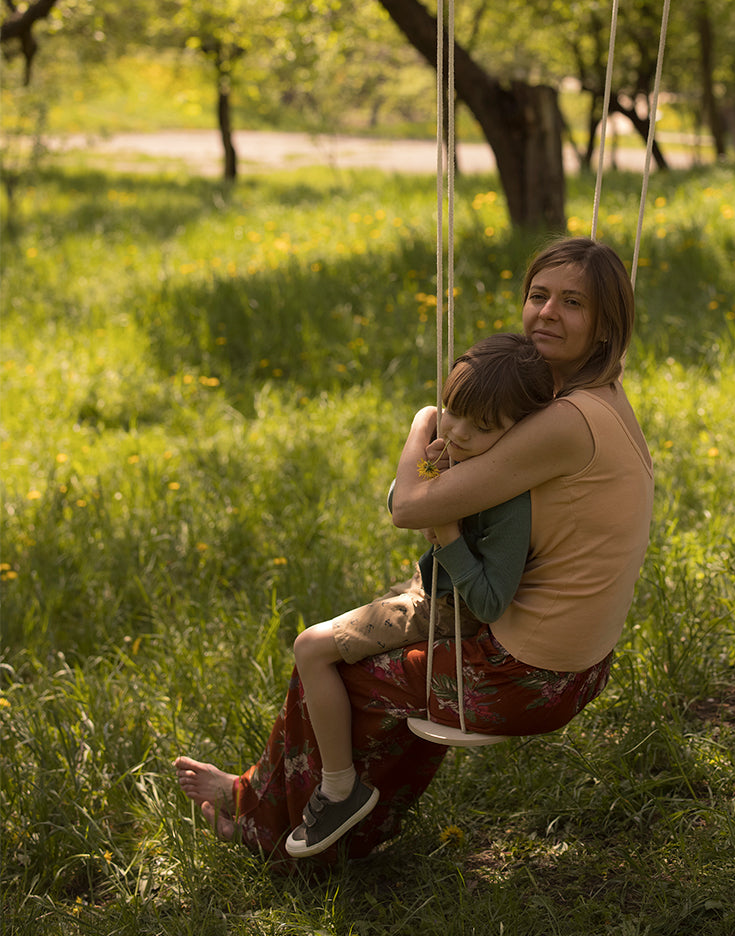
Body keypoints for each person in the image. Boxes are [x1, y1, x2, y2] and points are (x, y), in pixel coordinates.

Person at [174, 237, 654, 867]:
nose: (547, 314)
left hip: (527, 677)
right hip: (577, 663)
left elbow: (410, 507)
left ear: (604, 326)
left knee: (334, 671)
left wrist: (424, 420)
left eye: (573, 303)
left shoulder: (564, 421)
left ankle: (263, 822)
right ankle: (320, 822)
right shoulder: (598, 394)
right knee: (390, 655)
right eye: (539, 296)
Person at [283, 333, 554, 857]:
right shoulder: (463, 458)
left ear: (519, 434)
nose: (457, 431)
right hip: (430, 593)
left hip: (449, 613)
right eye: (452, 412)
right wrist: (431, 468)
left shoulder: (508, 501)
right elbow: (398, 500)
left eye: (483, 427)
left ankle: (340, 788)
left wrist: (450, 535)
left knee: (309, 646)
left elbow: (490, 604)